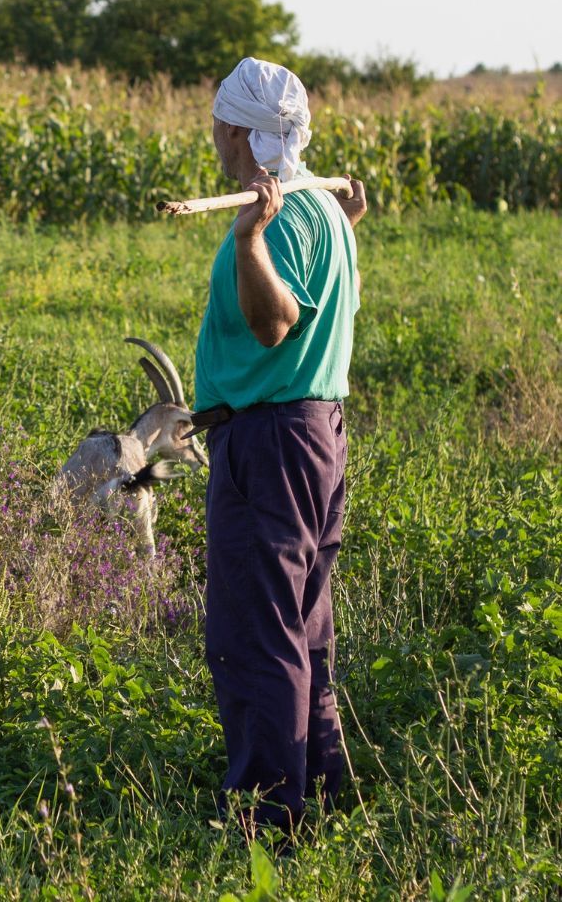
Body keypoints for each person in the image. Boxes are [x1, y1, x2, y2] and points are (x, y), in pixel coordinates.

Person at [192, 56, 367, 841]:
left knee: (257, 635)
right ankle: (325, 791)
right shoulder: (324, 207)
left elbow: (275, 324)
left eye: (217, 122)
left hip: (269, 442)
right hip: (316, 435)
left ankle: (268, 824)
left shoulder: (273, 216)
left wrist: (249, 241)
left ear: (234, 129)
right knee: (304, 630)